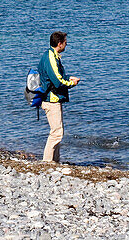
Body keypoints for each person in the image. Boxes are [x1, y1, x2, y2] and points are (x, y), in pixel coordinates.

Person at [38, 31, 80, 162]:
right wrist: (71, 83)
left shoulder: (52, 55)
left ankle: (54, 161)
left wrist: (68, 77)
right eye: (65, 43)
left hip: (51, 98)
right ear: (60, 44)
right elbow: (57, 81)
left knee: (57, 131)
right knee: (56, 133)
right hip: (51, 99)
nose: (66, 45)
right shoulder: (50, 57)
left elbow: (55, 76)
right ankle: (47, 162)